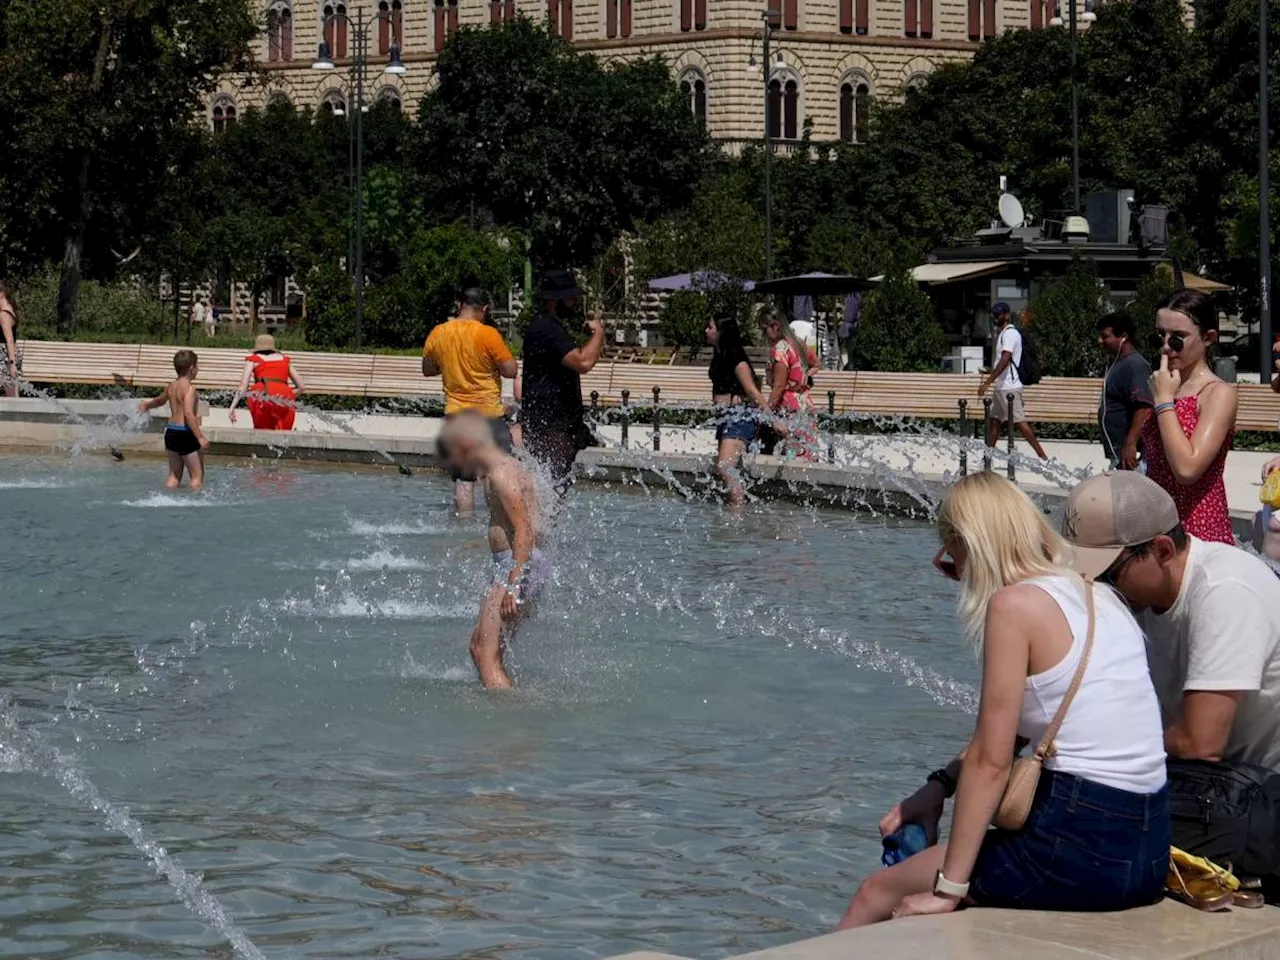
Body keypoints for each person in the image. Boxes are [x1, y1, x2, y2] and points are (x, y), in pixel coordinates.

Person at [838, 472, 1168, 928]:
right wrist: (938, 788)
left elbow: (991, 765)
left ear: (973, 545)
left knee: (874, 893)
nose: (951, 572)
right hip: (1147, 851)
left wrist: (948, 889)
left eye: (951, 557)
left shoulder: (1015, 607)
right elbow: (1018, 730)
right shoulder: (1099, 596)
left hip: (1079, 849)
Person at [1062, 471, 1280, 884]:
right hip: (1218, 788)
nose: (1093, 587)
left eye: (1107, 573)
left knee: (1074, 834)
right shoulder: (1141, 594)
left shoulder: (1225, 591)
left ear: (1162, 549)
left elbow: (1201, 743)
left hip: (1263, 798)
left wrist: (1089, 745)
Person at [439, 411, 551, 690]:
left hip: (516, 567)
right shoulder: (506, 469)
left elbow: (525, 530)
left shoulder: (502, 474)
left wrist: (514, 583)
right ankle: (505, 709)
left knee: (483, 652)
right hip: (520, 566)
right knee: (483, 648)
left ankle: (509, 721)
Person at [1142, 289, 1236, 544]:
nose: (1165, 347)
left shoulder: (1217, 393)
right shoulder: (1167, 385)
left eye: (1177, 339)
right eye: (1159, 336)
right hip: (1158, 527)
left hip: (1197, 531)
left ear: (1208, 337)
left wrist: (1163, 402)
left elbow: (1187, 469)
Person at [422, 287, 519, 512]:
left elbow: (427, 369)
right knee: (498, 471)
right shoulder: (488, 334)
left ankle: (463, 528)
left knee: (463, 480)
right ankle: (494, 522)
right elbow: (510, 370)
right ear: (484, 309)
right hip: (488, 416)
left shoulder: (438, 332)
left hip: (456, 415)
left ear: (459, 305)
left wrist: (450, 364)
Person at [521, 270, 605, 492]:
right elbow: (583, 362)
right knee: (550, 492)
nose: (575, 302)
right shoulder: (547, 329)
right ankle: (539, 527)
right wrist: (598, 334)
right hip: (549, 427)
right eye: (570, 298)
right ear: (552, 300)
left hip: (558, 425)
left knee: (556, 489)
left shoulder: (549, 326)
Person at [706, 315, 773, 506]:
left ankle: (739, 515)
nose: (706, 330)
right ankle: (736, 510)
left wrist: (773, 420)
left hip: (739, 418)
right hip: (725, 418)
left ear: (721, 332)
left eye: (710, 327)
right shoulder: (720, 355)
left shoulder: (737, 359)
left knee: (724, 468)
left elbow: (753, 391)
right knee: (725, 471)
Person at [979, 302, 1048, 461]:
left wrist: (988, 382)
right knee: (995, 422)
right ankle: (987, 458)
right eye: (995, 314)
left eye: (1000, 314)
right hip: (1002, 386)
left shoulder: (1010, 334)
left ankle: (1044, 458)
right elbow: (1001, 362)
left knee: (1020, 423)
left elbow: (1005, 359)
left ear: (1008, 315)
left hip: (1010, 387)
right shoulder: (1003, 333)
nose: (997, 317)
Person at [138, 350, 210, 491]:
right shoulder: (190, 389)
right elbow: (188, 414)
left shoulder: (171, 386)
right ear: (191, 368)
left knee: (174, 475)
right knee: (197, 476)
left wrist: (147, 405)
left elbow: (160, 400)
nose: (198, 369)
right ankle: (195, 506)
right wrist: (200, 437)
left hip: (171, 432)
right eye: (197, 366)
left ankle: (167, 499)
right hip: (185, 433)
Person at [1096, 311, 1153, 470]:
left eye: (1105, 336)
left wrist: (1131, 444)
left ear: (1123, 337)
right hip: (1119, 453)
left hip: (1132, 455)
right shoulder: (1118, 363)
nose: (1100, 341)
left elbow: (1143, 407)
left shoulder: (1135, 365)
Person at [761, 310, 817, 460]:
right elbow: (816, 363)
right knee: (806, 456)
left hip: (789, 408)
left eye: (763, 329)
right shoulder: (799, 344)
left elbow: (779, 386)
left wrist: (767, 413)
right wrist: (806, 376)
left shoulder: (780, 349)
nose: (763, 335)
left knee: (790, 458)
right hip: (804, 404)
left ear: (775, 326)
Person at [229, 334, 306, 432]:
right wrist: (286, 395)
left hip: (263, 393)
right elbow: (302, 387)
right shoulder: (284, 360)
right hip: (285, 395)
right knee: (283, 435)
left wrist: (232, 407)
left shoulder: (253, 359)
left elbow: (243, 386)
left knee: (263, 433)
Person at [0, 280, 20, 399]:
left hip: (5, 357)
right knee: (12, 394)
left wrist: (12, 364)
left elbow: (9, 339)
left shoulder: (4, 314)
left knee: (12, 393)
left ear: (1, 294)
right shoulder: (9, 309)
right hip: (7, 356)